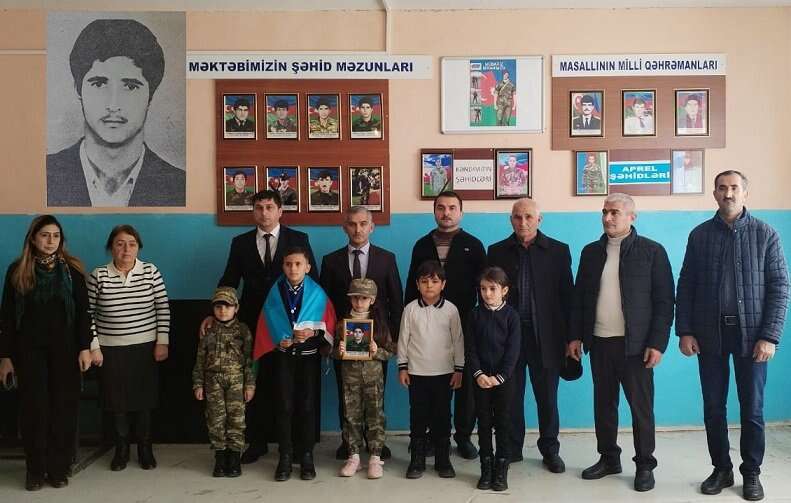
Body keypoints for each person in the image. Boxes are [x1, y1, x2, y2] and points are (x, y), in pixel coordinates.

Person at [676, 170, 789, 501]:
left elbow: (780, 287)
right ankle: (721, 469)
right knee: (714, 406)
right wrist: (685, 330)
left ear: (745, 193)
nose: (728, 193)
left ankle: (751, 473)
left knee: (752, 409)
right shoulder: (699, 236)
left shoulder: (765, 234)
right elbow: (686, 284)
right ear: (714, 193)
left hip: (752, 337)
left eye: (734, 188)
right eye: (722, 188)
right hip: (709, 334)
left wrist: (770, 336)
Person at [568, 193, 674, 492]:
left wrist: (657, 343)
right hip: (599, 342)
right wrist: (575, 336)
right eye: (604, 212)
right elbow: (579, 298)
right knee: (604, 405)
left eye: (614, 212)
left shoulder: (652, 251)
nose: (607, 217)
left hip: (636, 347)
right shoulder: (591, 252)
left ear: (631, 217)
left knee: (641, 408)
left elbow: (665, 301)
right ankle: (609, 458)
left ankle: (645, 465)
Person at [216, 189, 319, 464]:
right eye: (259, 207)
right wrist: (213, 312)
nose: (264, 212)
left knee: (293, 387)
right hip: (254, 325)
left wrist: (311, 326)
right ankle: (258, 441)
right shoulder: (240, 243)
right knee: (256, 383)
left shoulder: (298, 239)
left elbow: (313, 284)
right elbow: (229, 280)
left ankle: (296, 446)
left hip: (292, 326)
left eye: (270, 207)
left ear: (280, 211)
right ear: (253, 212)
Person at [47, 19, 185, 207]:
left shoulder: (180, 187)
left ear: (150, 95)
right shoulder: (44, 175)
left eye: (130, 86)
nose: (113, 104)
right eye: (99, 84)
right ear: (78, 90)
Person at [0, 215, 92, 491]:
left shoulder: (72, 271)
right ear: (33, 238)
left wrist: (85, 347)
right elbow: (7, 317)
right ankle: (35, 470)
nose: (51, 241)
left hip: (66, 352)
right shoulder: (17, 270)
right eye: (44, 235)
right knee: (35, 411)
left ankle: (58, 469)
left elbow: (84, 314)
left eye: (56, 236)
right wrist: (5, 357)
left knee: (63, 410)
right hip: (29, 353)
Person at [487, 198, 573, 472]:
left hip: (546, 338)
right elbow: (488, 297)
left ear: (539, 219)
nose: (522, 222)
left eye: (528, 217)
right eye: (517, 217)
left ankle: (550, 450)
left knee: (547, 398)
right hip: (508, 338)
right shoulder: (496, 251)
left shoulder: (558, 251)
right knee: (510, 396)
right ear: (510, 220)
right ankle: (512, 448)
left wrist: (571, 338)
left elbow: (567, 297)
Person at [405, 191, 486, 460]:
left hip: (464, 322)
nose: (446, 213)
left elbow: (483, 287)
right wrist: (408, 322)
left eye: (452, 208)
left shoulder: (473, 245)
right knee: (431, 384)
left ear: (461, 212)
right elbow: (411, 285)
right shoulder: (421, 245)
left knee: (464, 384)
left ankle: (463, 436)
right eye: (441, 208)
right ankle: (430, 437)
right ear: (434, 211)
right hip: (426, 324)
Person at [320, 206, 404, 461]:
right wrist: (329, 341)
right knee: (346, 393)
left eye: (363, 223)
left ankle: (376, 442)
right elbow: (324, 305)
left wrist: (394, 339)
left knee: (375, 392)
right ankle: (349, 443)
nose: (358, 229)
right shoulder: (330, 260)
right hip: (344, 338)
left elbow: (396, 300)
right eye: (352, 224)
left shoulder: (386, 258)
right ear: (344, 227)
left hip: (377, 340)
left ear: (372, 227)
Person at [87, 224, 171, 472]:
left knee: (144, 401)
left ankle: (145, 449)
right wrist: (94, 347)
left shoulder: (151, 272)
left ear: (138, 248)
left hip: (145, 348)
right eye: (120, 244)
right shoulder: (99, 275)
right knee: (117, 403)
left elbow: (162, 308)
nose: (126, 249)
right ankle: (121, 449)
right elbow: (88, 314)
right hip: (110, 350)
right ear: (111, 247)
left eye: (132, 244)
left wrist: (162, 341)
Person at [252, 246, 335, 482]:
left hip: (308, 359)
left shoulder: (318, 293)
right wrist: (279, 338)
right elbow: (267, 322)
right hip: (284, 358)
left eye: (298, 264)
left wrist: (312, 333)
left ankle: (306, 455)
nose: (293, 268)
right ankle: (285, 456)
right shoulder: (275, 292)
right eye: (288, 264)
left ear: (307, 267)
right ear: (283, 266)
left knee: (307, 406)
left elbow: (328, 326)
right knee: (284, 405)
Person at [398, 260, 464, 479]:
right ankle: (417, 461)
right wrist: (403, 368)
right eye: (424, 281)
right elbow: (403, 340)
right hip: (417, 374)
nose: (429, 286)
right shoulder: (410, 309)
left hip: (444, 374)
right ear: (417, 284)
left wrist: (459, 370)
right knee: (418, 417)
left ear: (443, 284)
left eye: (434, 281)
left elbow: (458, 341)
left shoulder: (451, 310)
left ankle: (443, 461)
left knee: (442, 417)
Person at [334, 278, 396, 479]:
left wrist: (377, 351)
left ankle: (375, 457)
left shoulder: (379, 326)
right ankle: (353, 456)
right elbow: (331, 351)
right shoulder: (342, 325)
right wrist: (339, 351)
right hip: (350, 379)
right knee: (351, 417)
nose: (359, 303)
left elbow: (391, 351)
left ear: (372, 300)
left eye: (363, 298)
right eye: (355, 298)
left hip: (373, 379)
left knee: (375, 416)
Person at [465, 267, 521, 492]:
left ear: (504, 290)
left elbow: (513, 352)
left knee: (503, 423)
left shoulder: (512, 317)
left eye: (492, 289)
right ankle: (486, 466)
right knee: (484, 423)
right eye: (483, 289)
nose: (487, 293)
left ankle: (501, 466)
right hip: (480, 381)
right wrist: (478, 374)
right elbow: (470, 349)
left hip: (503, 381)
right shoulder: (474, 315)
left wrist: (500, 377)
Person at [192, 287, 255, 478]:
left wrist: (249, 385)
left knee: (236, 418)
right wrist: (198, 384)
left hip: (236, 380)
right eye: (218, 307)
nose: (223, 311)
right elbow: (200, 360)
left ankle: (234, 456)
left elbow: (250, 361)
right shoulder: (208, 330)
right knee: (215, 419)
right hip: (213, 381)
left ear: (236, 308)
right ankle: (220, 456)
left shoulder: (243, 331)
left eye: (228, 306)